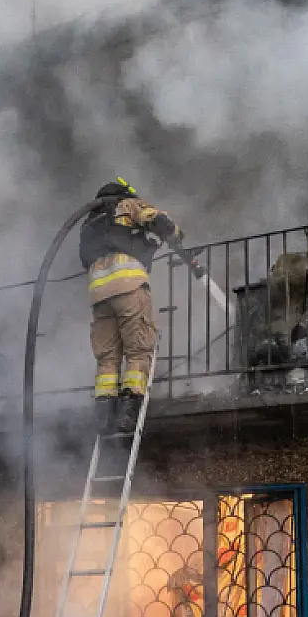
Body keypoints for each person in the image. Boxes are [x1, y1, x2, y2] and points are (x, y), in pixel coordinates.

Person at [76, 178, 192, 435]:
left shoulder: (89, 224)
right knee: (138, 349)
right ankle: (129, 411)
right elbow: (159, 221)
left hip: (98, 295)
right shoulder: (127, 206)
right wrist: (175, 235)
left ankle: (103, 416)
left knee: (107, 358)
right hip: (128, 286)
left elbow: (85, 258)